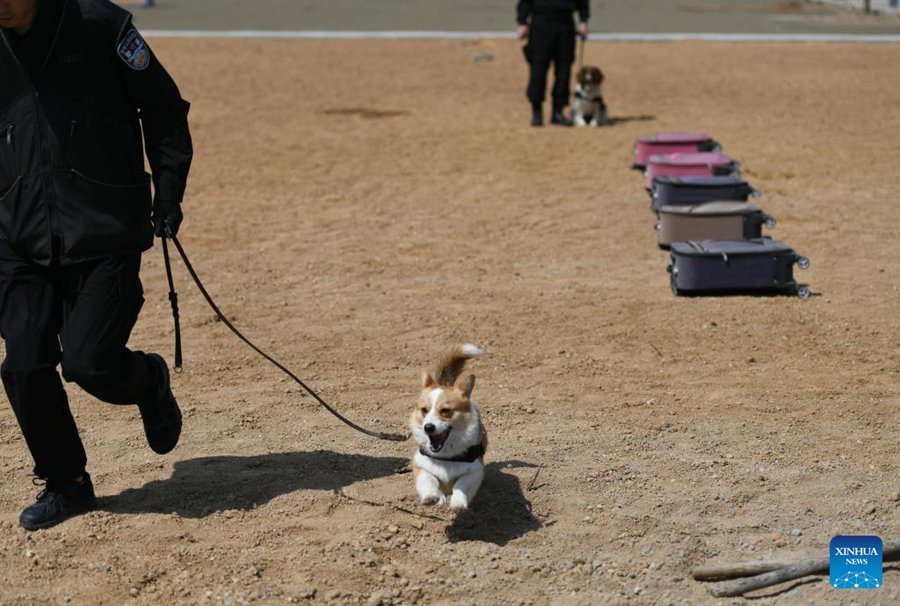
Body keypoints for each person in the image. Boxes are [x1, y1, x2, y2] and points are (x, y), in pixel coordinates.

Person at [0, 0, 193, 530]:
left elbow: (164, 107)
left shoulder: (99, 25)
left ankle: (148, 380)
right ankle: (67, 483)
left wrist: (169, 190)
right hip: (18, 233)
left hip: (103, 225)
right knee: (23, 365)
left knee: (89, 364)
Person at [516, 0, 590, 126]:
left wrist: (583, 20)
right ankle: (537, 113)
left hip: (565, 24)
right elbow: (525, 2)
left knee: (564, 71)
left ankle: (558, 112)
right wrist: (522, 22)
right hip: (540, 24)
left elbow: (583, 2)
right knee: (537, 70)